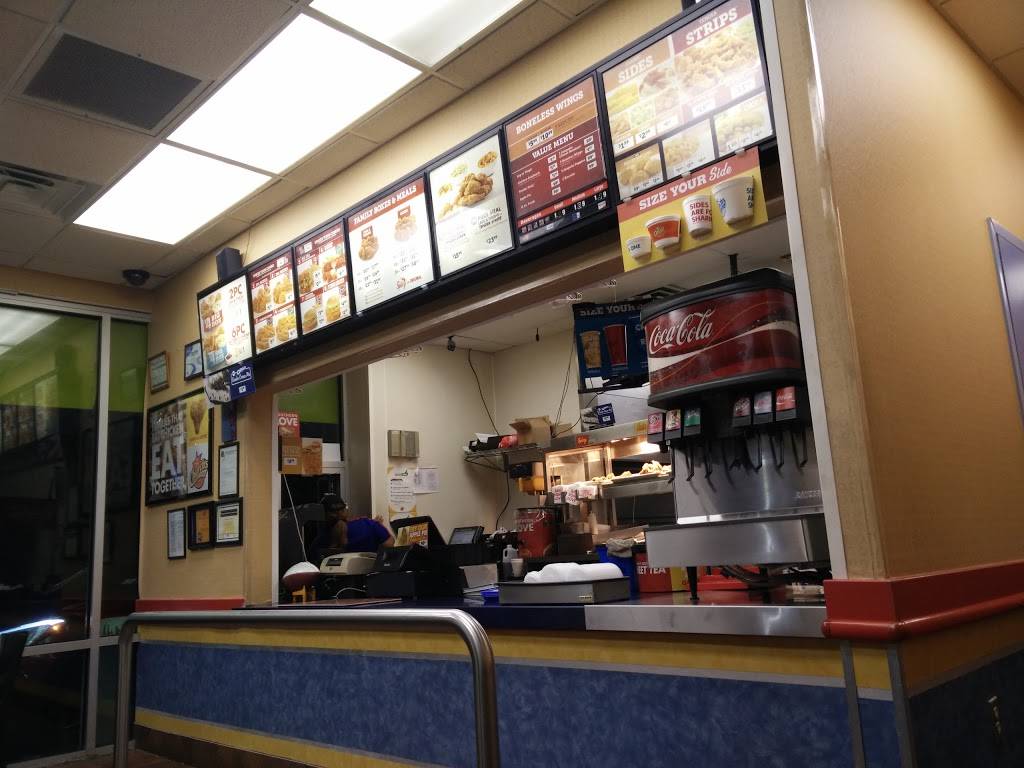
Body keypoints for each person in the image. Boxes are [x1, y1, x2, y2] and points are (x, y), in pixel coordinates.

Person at [318, 494, 394, 554]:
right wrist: (379, 525)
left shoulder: (322, 539)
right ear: (345, 510)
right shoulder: (369, 524)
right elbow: (390, 544)